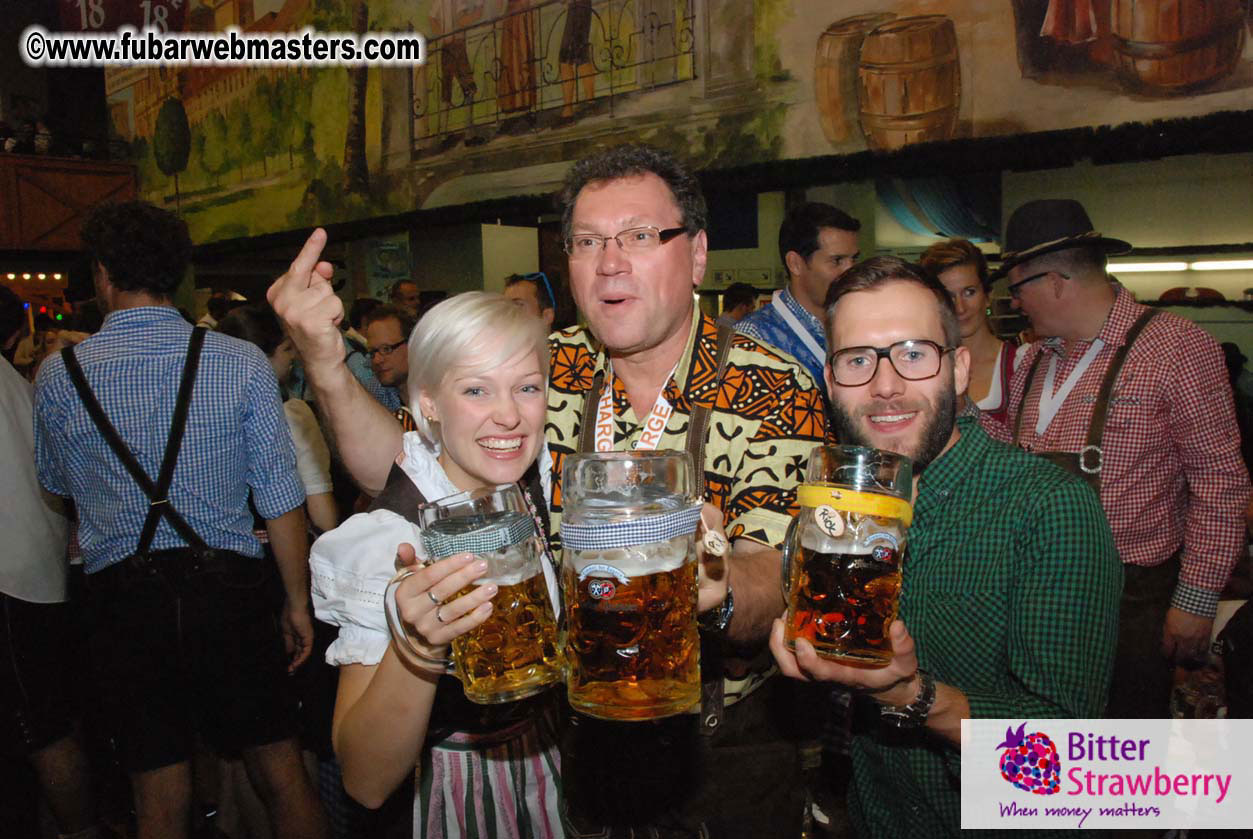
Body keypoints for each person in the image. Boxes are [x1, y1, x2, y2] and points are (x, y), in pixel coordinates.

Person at [267, 143, 827, 838]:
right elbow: (414, 465)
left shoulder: (774, 382)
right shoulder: (548, 364)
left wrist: (706, 582)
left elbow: (778, 569)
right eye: (587, 241)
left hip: (718, 739)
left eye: (639, 237)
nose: (610, 261)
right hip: (577, 737)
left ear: (698, 254)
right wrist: (324, 362)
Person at [770, 255, 1123, 837]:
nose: (885, 386)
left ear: (958, 368)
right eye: (858, 360)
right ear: (831, 382)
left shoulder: (1049, 508)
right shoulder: (834, 512)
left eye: (913, 354)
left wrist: (913, 694)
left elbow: (1067, 757)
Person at [32, 201, 328, 839]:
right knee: (281, 770)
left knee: (158, 791)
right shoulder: (238, 362)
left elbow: (56, 485)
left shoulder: (59, 376)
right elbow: (281, 500)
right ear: (178, 274)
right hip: (228, 590)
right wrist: (297, 604)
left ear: (104, 274)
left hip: (121, 601)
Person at [310, 292, 567, 837]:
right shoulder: (393, 538)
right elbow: (364, 779)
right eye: (476, 390)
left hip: (554, 774)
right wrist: (419, 650)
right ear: (428, 403)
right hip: (456, 796)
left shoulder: (533, 483)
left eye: (527, 387)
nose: (509, 414)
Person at [994, 198, 1252, 719]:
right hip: (1036, 593)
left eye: (1018, 288)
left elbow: (1220, 482)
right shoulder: (1035, 360)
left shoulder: (1176, 348)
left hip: (1130, 603)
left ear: (1055, 281)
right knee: (1042, 747)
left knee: (1120, 760)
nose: (1017, 303)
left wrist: (1196, 599)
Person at [1, 285, 100, 839]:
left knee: (42, 726)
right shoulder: (19, 386)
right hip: (39, 575)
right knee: (44, 722)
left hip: (13, 582)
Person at [218, 304, 338, 534]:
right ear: (259, 358)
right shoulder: (292, 415)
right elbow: (321, 512)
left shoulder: (206, 415)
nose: (293, 356)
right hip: (286, 547)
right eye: (286, 349)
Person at [737, 201, 860, 393]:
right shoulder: (754, 337)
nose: (851, 271)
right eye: (837, 260)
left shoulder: (859, 324)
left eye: (854, 259)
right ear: (795, 264)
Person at [920, 237, 1026, 424]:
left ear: (987, 295)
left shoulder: (1020, 364)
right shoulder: (920, 368)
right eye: (948, 296)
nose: (960, 308)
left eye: (969, 292)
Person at [362, 304, 416, 406]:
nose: (376, 360)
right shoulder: (376, 391)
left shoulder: (442, 386)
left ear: (412, 344)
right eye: (373, 352)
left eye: (386, 349)